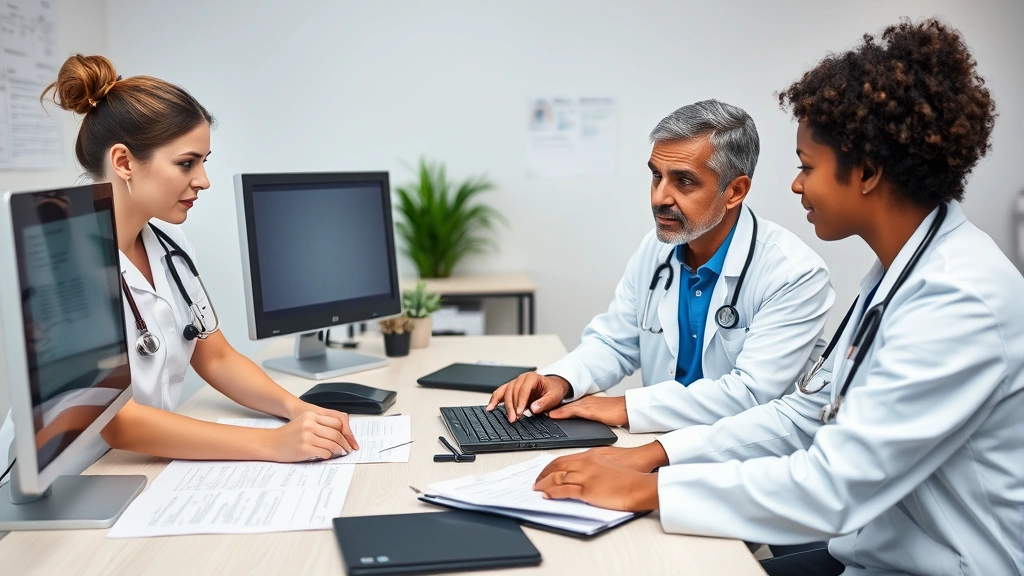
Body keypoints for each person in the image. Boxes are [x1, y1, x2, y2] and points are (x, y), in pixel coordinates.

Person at [533, 19, 1023, 576]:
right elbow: (803, 413)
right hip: (874, 554)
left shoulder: (958, 301)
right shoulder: (897, 276)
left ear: (867, 172)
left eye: (806, 167)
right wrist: (651, 455)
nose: (795, 185)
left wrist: (652, 489)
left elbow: (831, 486)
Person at [1, 54, 359, 474]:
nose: (203, 180)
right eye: (187, 162)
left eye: (204, 161)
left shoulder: (169, 242)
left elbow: (215, 356)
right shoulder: (62, 261)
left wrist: (297, 411)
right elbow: (115, 421)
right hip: (66, 478)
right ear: (123, 162)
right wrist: (270, 443)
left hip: (134, 467)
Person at [489, 100, 834, 437]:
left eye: (683, 181)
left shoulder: (793, 274)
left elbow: (750, 393)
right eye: (657, 176)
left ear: (735, 191)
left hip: (746, 462)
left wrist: (625, 407)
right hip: (661, 445)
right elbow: (615, 342)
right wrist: (560, 381)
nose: (659, 197)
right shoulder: (656, 250)